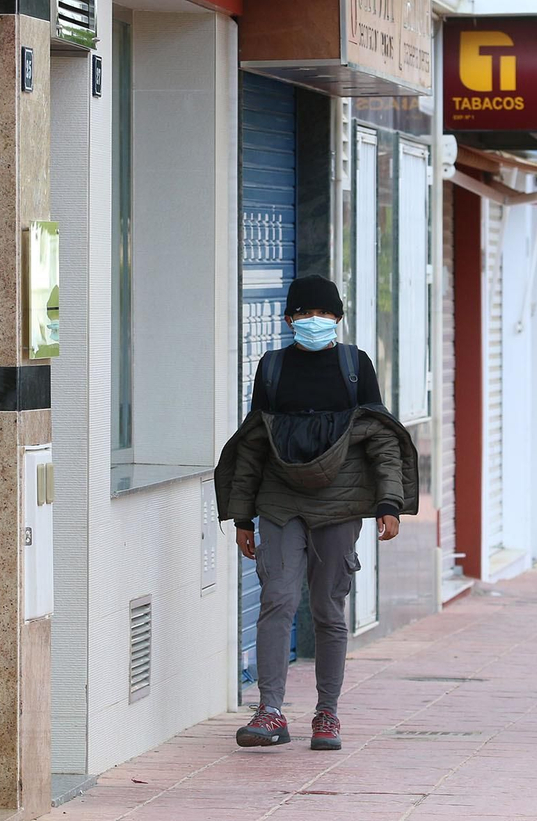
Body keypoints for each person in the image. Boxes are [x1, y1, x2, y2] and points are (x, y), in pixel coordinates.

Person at [214, 275, 418, 752]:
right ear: (289, 319)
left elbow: (381, 438)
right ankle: (270, 710)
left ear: (338, 319)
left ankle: (328, 714)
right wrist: (242, 517)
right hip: (280, 504)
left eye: (324, 313)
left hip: (340, 505)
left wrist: (389, 503)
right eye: (304, 313)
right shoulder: (272, 368)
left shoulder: (355, 366)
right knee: (277, 600)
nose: (314, 320)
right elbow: (253, 445)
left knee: (328, 609)